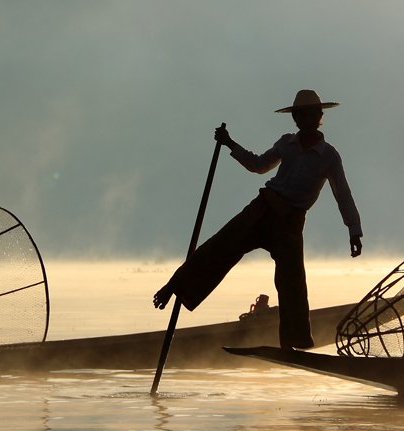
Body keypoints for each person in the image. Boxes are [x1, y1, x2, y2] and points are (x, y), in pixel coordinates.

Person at [153, 90, 363, 349]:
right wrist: (230, 144)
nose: (304, 120)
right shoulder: (287, 143)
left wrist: (354, 230)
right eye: (299, 115)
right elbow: (258, 165)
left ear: (319, 117)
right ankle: (175, 286)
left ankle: (295, 342)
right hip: (262, 209)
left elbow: (342, 193)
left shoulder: (329, 156)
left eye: (310, 114)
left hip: (290, 223)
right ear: (296, 119)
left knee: (292, 282)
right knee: (220, 245)